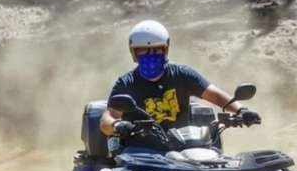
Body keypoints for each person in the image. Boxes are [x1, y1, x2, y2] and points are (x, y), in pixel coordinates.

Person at [99, 20, 260, 139]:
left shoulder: (182, 74)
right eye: (143, 51)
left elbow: (215, 95)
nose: (150, 56)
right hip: (140, 150)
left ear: (166, 49)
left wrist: (241, 111)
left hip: (183, 147)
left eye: (156, 50)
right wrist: (117, 125)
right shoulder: (126, 83)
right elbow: (107, 119)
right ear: (134, 53)